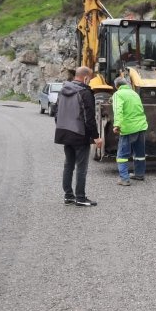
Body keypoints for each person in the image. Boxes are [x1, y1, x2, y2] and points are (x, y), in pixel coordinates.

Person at [54, 66, 103, 207]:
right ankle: (80, 197)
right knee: (81, 167)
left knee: (68, 165)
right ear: (86, 77)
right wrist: (96, 137)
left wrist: (61, 127)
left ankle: (68, 196)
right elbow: (90, 118)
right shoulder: (85, 93)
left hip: (64, 132)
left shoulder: (62, 90)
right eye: (90, 78)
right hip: (80, 134)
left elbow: (56, 113)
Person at [112, 77, 148, 186]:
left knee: (122, 155)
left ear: (117, 86)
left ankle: (124, 179)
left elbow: (118, 111)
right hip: (141, 126)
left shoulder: (118, 95)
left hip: (128, 128)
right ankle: (139, 174)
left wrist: (117, 125)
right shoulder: (134, 93)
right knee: (139, 153)